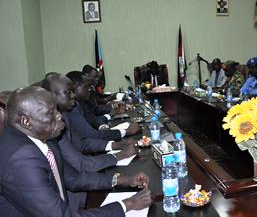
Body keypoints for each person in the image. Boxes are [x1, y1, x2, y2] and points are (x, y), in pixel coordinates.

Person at [0, 86, 152, 216]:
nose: (59, 115)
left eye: (57, 110)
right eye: (50, 113)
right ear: (26, 121)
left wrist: (124, 180)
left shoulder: (44, 137)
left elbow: (72, 178)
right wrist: (128, 204)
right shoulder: (20, 158)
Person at [65, 71, 140, 141]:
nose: (90, 89)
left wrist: (106, 121)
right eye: (86, 86)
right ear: (75, 88)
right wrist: (126, 131)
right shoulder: (72, 109)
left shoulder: (80, 103)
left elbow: (92, 119)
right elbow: (92, 135)